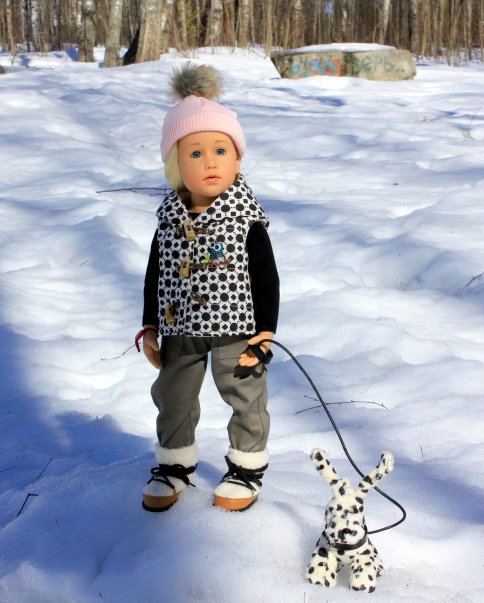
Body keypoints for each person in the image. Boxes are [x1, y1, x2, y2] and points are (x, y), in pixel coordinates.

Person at [137, 63, 280, 513]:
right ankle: (174, 465)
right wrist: (150, 325)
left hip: (237, 328)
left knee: (245, 394)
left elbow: (267, 276)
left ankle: (246, 467)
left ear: (237, 159)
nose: (211, 162)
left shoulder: (245, 218)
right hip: (180, 326)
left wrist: (266, 330)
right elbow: (156, 272)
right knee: (173, 396)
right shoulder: (169, 219)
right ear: (176, 164)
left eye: (221, 150)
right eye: (195, 153)